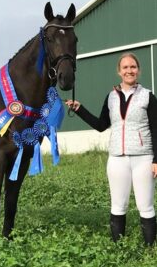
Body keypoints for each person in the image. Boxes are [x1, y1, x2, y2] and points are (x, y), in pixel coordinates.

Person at [66, 52, 157, 246]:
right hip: (117, 159)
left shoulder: (148, 96)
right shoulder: (111, 98)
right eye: (125, 67)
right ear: (119, 71)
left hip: (144, 158)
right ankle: (118, 248)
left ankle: (150, 249)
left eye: (133, 67)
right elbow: (101, 125)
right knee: (118, 205)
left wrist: (156, 160)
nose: (129, 71)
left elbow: (156, 130)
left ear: (138, 70)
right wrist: (79, 109)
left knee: (145, 206)